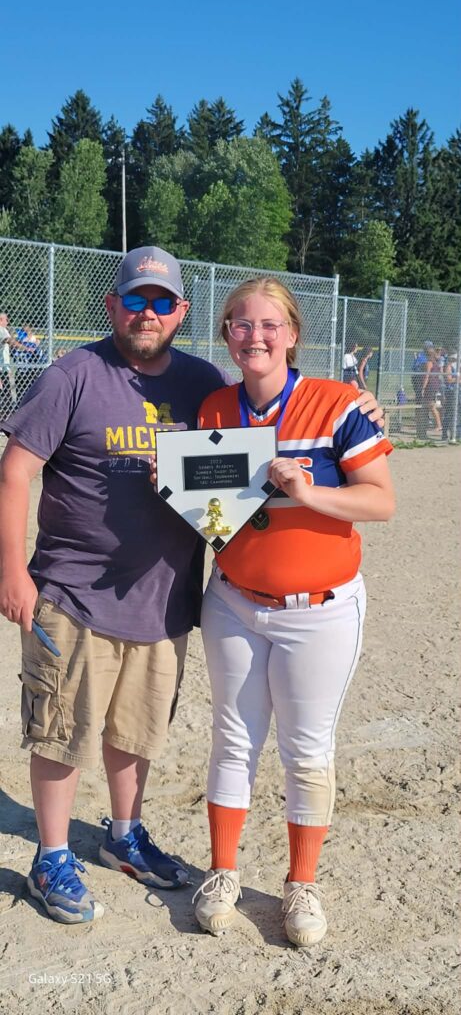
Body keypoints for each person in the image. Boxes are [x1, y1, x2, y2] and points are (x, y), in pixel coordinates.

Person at [0, 246, 384, 927]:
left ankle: (126, 834)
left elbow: (267, 464)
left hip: (164, 594)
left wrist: (350, 428)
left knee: (136, 729)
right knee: (63, 733)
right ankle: (53, 854)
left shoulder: (204, 384)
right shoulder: (78, 376)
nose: (147, 313)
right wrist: (11, 572)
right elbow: (15, 473)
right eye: (135, 299)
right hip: (78, 590)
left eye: (161, 302)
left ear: (180, 311)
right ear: (112, 305)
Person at [191, 277, 394, 947]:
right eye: (240, 325)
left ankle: (299, 884)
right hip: (233, 602)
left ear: (293, 333)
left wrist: (308, 494)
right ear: (225, 334)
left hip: (319, 611)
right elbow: (207, 512)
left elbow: (379, 501)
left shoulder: (336, 405)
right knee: (232, 741)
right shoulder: (214, 408)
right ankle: (222, 872)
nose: (254, 336)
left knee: (305, 751)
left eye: (268, 324)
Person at [421, 347, 442, 437]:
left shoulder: (429, 363)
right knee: (428, 405)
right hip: (435, 385)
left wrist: (423, 387)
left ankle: (438, 425)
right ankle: (429, 424)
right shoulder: (436, 362)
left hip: (431, 385)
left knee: (431, 406)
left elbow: (427, 376)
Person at [0, 312, 15, 419]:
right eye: (6, 319)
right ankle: (3, 419)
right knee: (4, 396)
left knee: (6, 395)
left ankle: (4, 418)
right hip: (1, 368)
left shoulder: (4, 330)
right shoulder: (1, 330)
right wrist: (24, 346)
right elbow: (8, 341)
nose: (7, 322)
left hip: (4, 367)